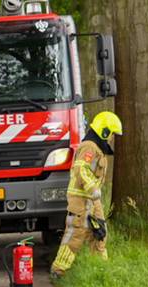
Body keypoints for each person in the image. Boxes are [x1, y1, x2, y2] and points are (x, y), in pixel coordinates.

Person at [51, 110, 121, 278]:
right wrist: (92, 188)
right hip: (81, 199)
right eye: (111, 133)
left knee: (99, 233)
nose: (112, 138)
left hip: (92, 200)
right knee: (75, 235)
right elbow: (81, 168)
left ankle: (100, 270)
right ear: (104, 131)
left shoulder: (98, 148)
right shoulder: (89, 147)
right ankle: (58, 271)